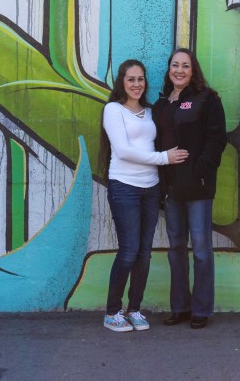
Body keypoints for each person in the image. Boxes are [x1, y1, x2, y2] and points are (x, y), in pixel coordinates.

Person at [100, 59, 188, 332]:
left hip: (151, 189)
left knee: (144, 253)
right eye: (131, 80)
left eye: (140, 79)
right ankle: (112, 312)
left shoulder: (150, 112)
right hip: (124, 186)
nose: (137, 84)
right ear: (122, 83)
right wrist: (164, 158)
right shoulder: (113, 110)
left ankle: (134, 309)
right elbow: (124, 151)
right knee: (128, 251)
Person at [153, 48, 227, 330]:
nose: (179, 70)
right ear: (169, 69)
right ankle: (180, 307)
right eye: (175, 65)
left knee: (201, 250)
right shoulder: (161, 104)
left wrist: (201, 170)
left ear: (193, 70)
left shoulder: (207, 99)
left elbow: (216, 138)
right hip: (171, 188)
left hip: (198, 186)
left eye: (185, 66)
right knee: (176, 249)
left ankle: (201, 309)